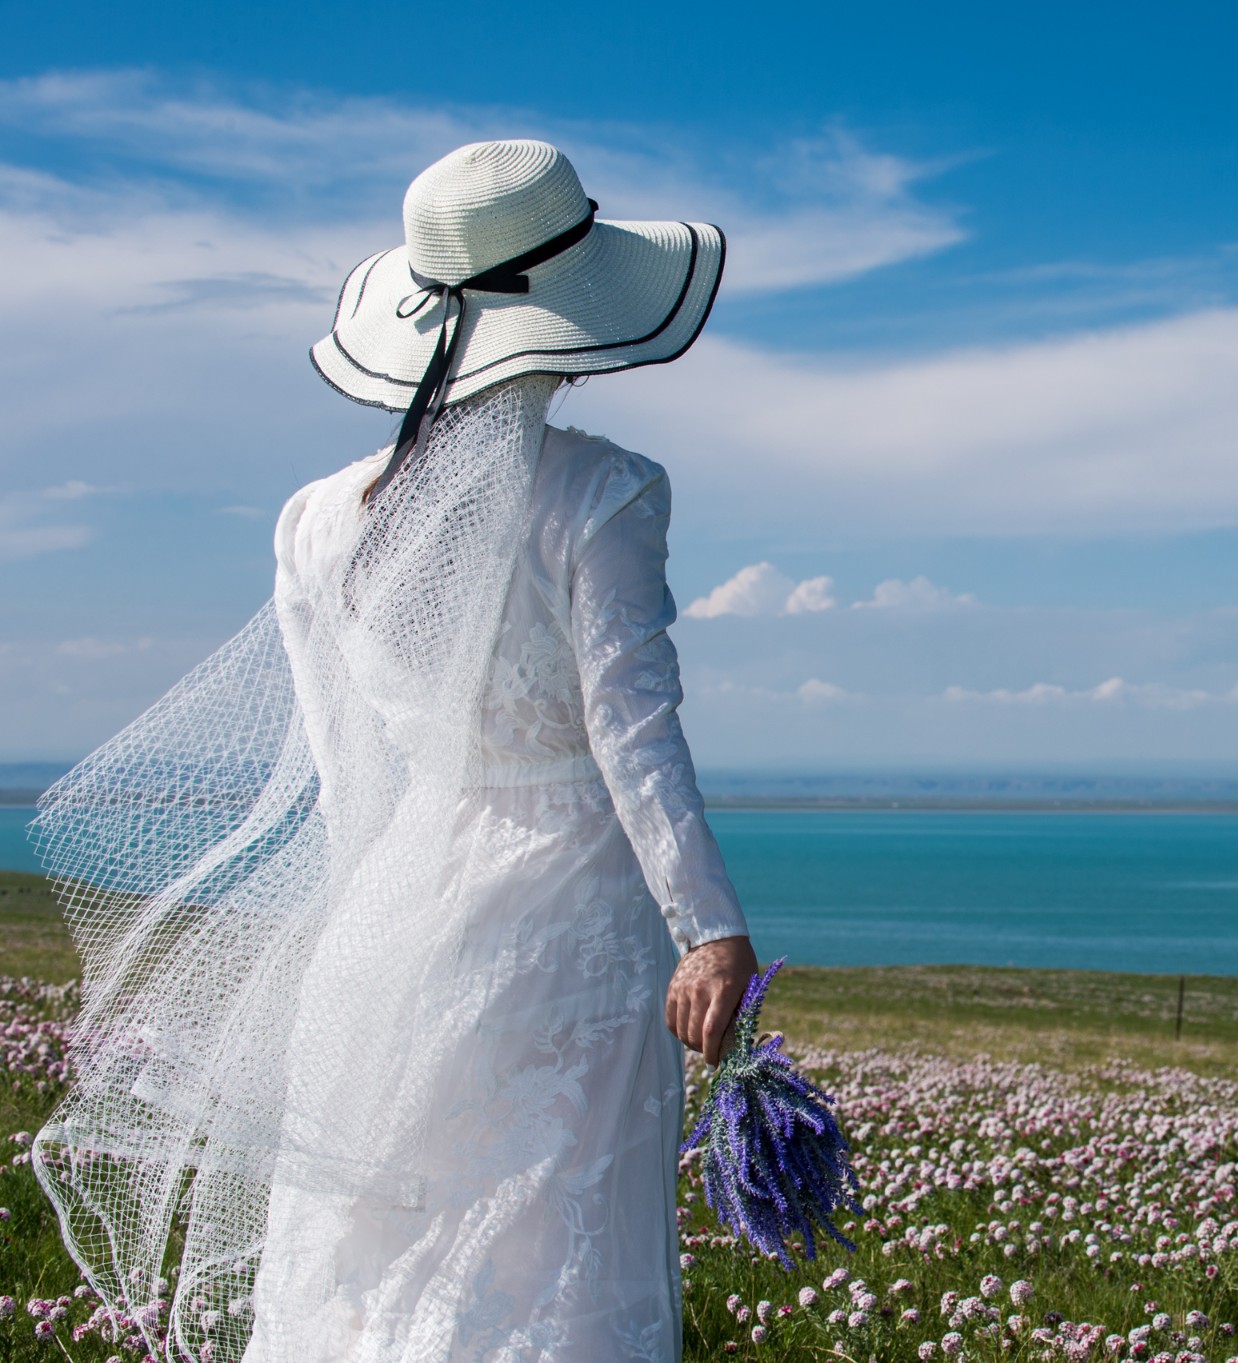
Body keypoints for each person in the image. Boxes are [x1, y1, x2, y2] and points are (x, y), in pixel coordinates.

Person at [33, 139, 757, 1362]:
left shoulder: (316, 521)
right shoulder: (605, 495)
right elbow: (631, 730)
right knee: (548, 1246)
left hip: (394, 912)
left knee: (378, 1241)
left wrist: (356, 935)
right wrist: (710, 925)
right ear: (572, 315)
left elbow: (342, 764)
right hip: (570, 913)